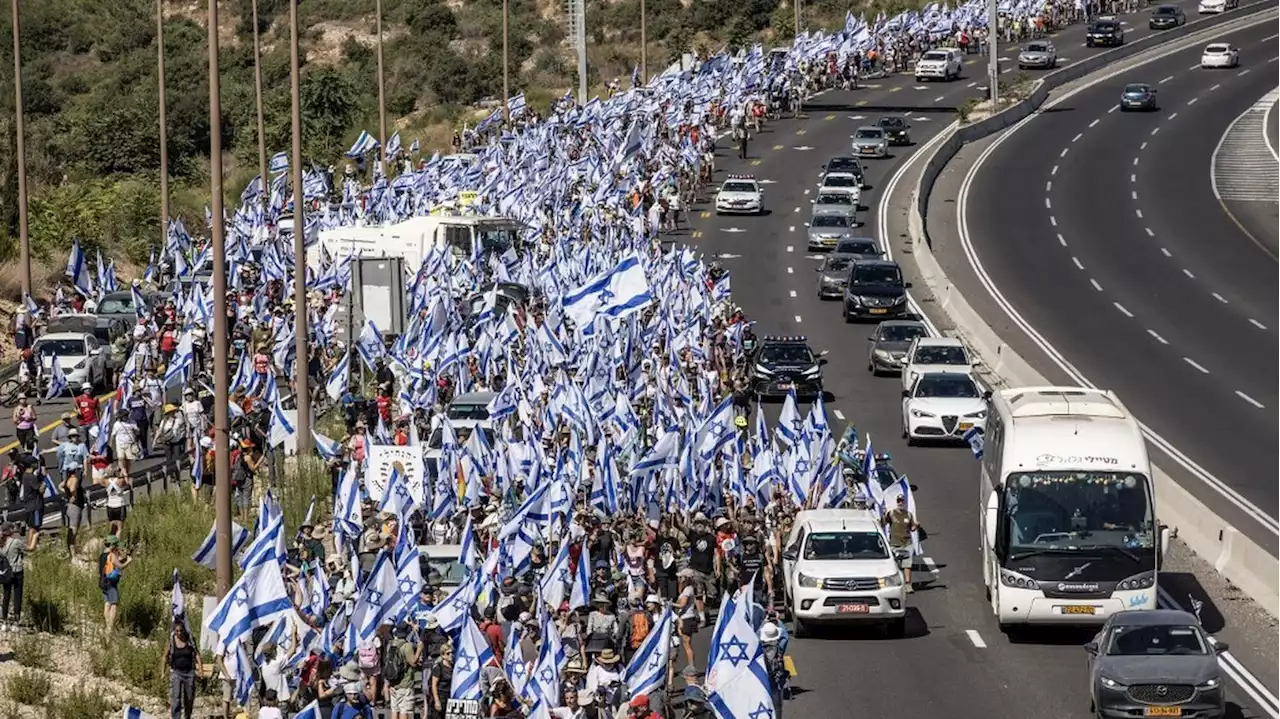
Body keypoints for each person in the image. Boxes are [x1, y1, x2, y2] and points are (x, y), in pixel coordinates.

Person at [162, 621, 203, 719]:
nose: (179, 633)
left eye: (180, 631)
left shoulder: (190, 640)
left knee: (189, 698)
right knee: (176, 698)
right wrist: (162, 672)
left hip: (189, 672)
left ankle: (187, 716)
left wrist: (201, 669)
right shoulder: (171, 641)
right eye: (177, 631)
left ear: (183, 630)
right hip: (176, 672)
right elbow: (164, 656)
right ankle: (176, 717)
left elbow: (196, 654)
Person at [883, 494, 918, 591]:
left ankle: (907, 584)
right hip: (894, 543)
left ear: (904, 502)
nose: (900, 503)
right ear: (896, 502)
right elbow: (884, 522)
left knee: (907, 565)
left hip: (907, 543)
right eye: (899, 501)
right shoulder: (892, 513)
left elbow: (912, 528)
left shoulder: (908, 515)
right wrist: (884, 515)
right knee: (893, 565)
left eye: (902, 501)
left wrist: (916, 526)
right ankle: (893, 583)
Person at [99, 534, 131, 632]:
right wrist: (128, 561)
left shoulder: (102, 555)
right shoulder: (111, 555)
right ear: (113, 545)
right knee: (114, 604)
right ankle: (110, 628)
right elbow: (120, 566)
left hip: (102, 582)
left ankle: (107, 624)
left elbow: (111, 564)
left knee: (107, 603)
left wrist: (121, 559)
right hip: (110, 583)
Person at [760, 622, 788, 719]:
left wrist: (763, 621)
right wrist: (778, 620)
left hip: (763, 684)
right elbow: (785, 636)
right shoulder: (779, 648)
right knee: (777, 709)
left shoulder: (758, 650)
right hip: (776, 683)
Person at [0, 522, 25, 631]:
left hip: (6, 572)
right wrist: (35, 536)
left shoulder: (1, 543)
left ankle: (4, 622)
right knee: (17, 596)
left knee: (6, 596)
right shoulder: (17, 542)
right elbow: (31, 548)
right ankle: (15, 622)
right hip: (17, 571)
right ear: (10, 531)